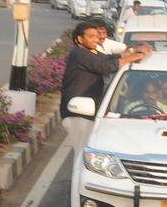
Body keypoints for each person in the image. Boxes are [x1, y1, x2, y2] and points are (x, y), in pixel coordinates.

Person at [61, 20, 151, 151]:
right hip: (78, 112)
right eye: (91, 36)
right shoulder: (80, 54)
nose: (96, 40)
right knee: (81, 154)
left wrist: (134, 51)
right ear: (79, 39)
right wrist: (136, 57)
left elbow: (109, 58)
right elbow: (106, 66)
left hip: (88, 112)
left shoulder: (92, 52)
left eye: (96, 36)